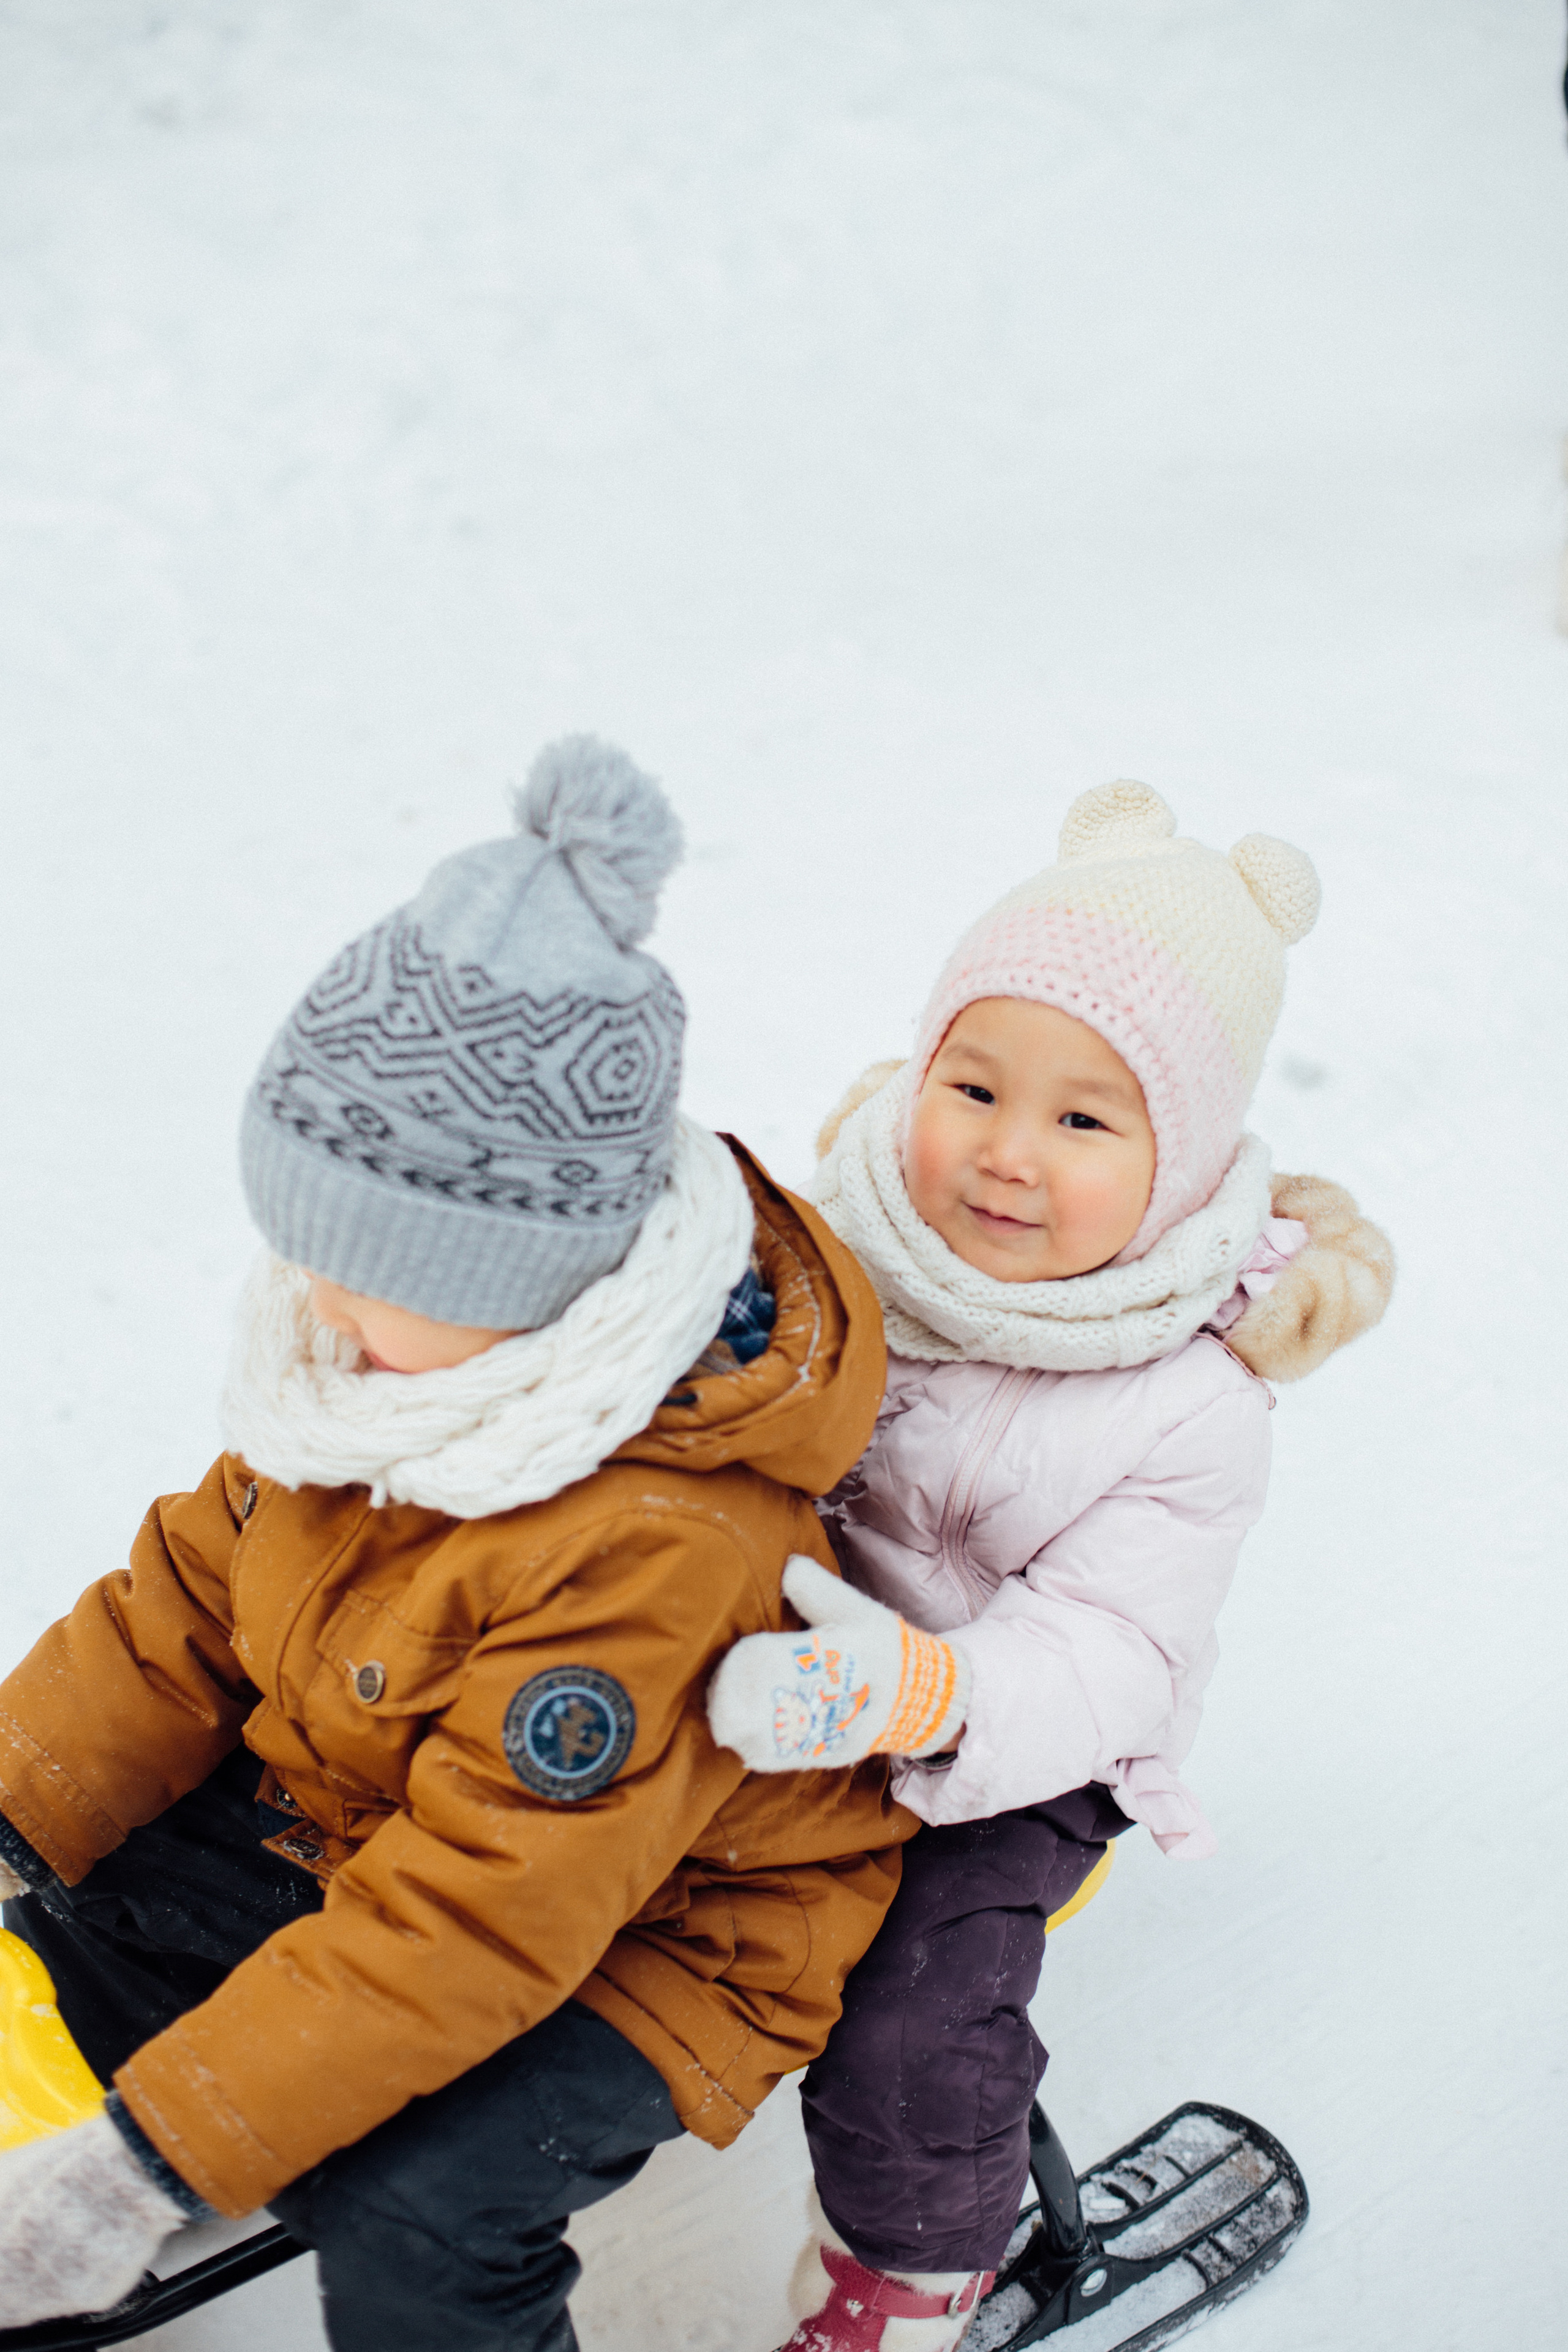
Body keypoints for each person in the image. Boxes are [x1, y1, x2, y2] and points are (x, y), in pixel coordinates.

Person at [0, 737, 910, 2352]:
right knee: (64, 1942)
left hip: (652, 1935)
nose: (320, 1311)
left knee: (415, 2200)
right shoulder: (384, 1382)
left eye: (371, 1273)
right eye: (307, 1252)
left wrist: (141, 2166)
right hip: (363, 1813)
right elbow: (179, 1611)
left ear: (537, 1278)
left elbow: (476, 1922)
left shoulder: (652, 1544)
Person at [709, 780, 1394, 2352]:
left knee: (910, 2014)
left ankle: (900, 2281)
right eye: (973, 1086)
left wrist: (931, 1691)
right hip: (776, 1670)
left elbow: (1112, 1653)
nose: (1006, 1156)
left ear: (1179, 1156)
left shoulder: (1187, 1397)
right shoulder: (841, 1239)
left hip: (1010, 1753)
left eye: (1083, 1119)